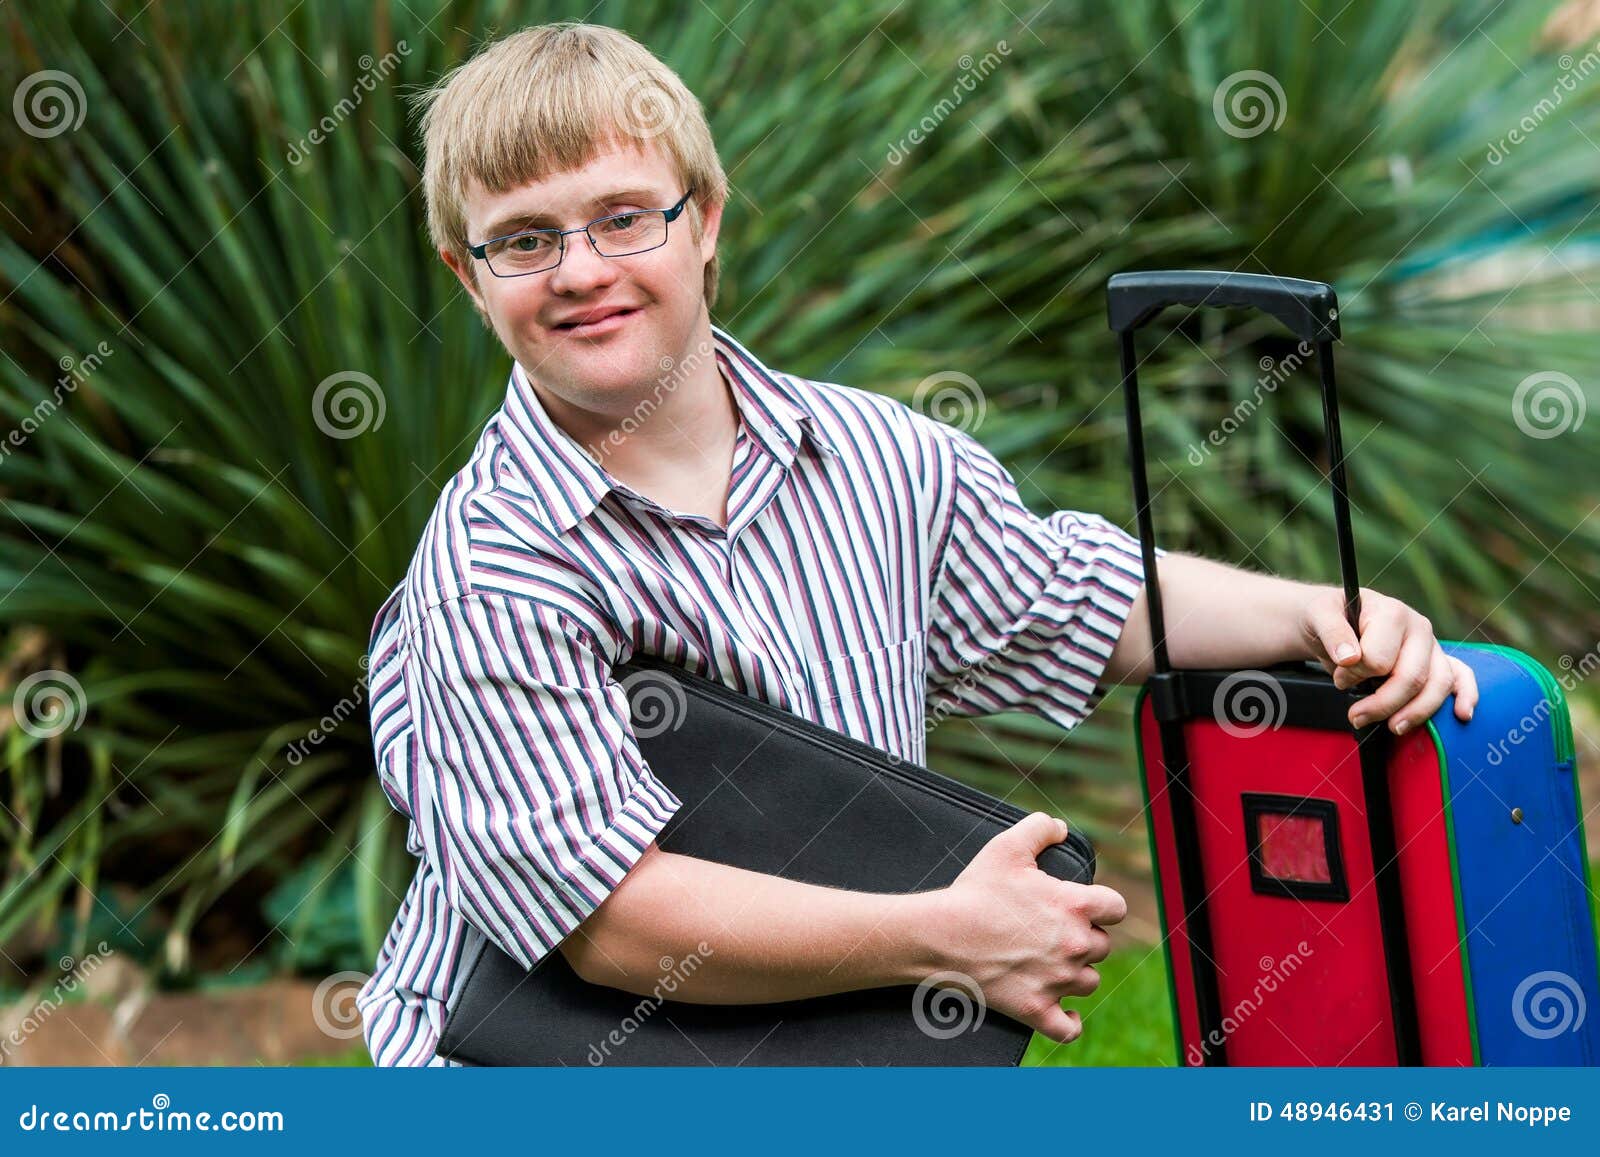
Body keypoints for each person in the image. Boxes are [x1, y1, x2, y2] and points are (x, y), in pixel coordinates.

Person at [355, 22, 1478, 1067]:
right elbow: (606, 922)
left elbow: (1081, 600)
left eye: (622, 217)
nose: (582, 270)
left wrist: (1322, 612)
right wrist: (949, 935)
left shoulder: (882, 457)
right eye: (525, 240)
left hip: (789, 1038)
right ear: (466, 274)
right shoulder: (490, 567)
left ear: (703, 220)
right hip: (516, 1063)